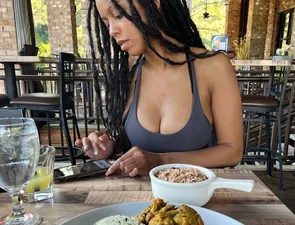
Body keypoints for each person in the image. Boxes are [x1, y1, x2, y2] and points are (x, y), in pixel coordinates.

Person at [75, 0, 243, 177]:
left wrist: (161, 160)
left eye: (118, 15)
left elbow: (232, 152)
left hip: (196, 200)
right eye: (106, 22)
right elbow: (134, 145)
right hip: (139, 201)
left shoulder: (212, 66)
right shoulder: (129, 73)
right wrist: (110, 146)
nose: (112, 31)